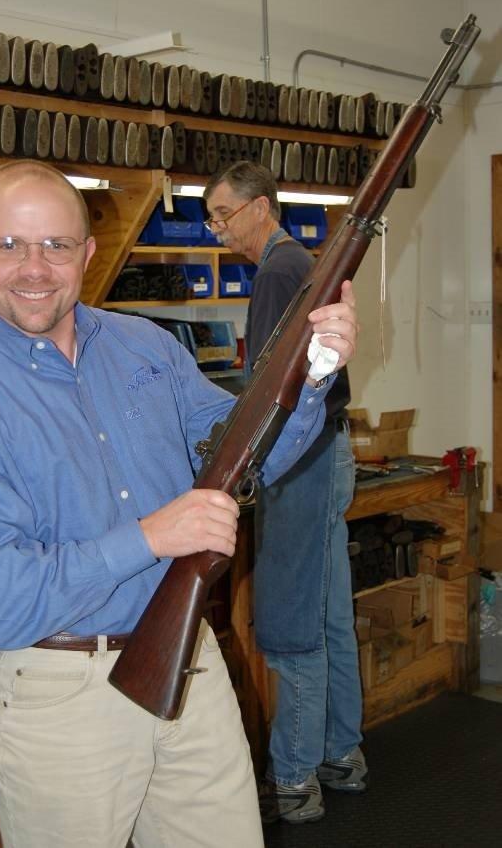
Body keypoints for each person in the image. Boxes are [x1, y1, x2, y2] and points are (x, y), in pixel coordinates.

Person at [0, 159, 358, 848]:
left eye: (57, 244)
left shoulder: (145, 346)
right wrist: (149, 537)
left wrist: (316, 370)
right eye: (9, 246)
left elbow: (245, 453)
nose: (34, 267)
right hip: (59, 695)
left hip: (190, 671)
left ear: (86, 254)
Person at [204, 161, 367, 827]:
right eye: (211, 220)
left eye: (223, 215)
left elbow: (272, 390)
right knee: (327, 613)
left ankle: (296, 779)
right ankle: (342, 755)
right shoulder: (298, 260)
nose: (218, 231)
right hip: (330, 450)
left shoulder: (277, 269)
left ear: (260, 206)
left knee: (290, 620)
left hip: (300, 461)